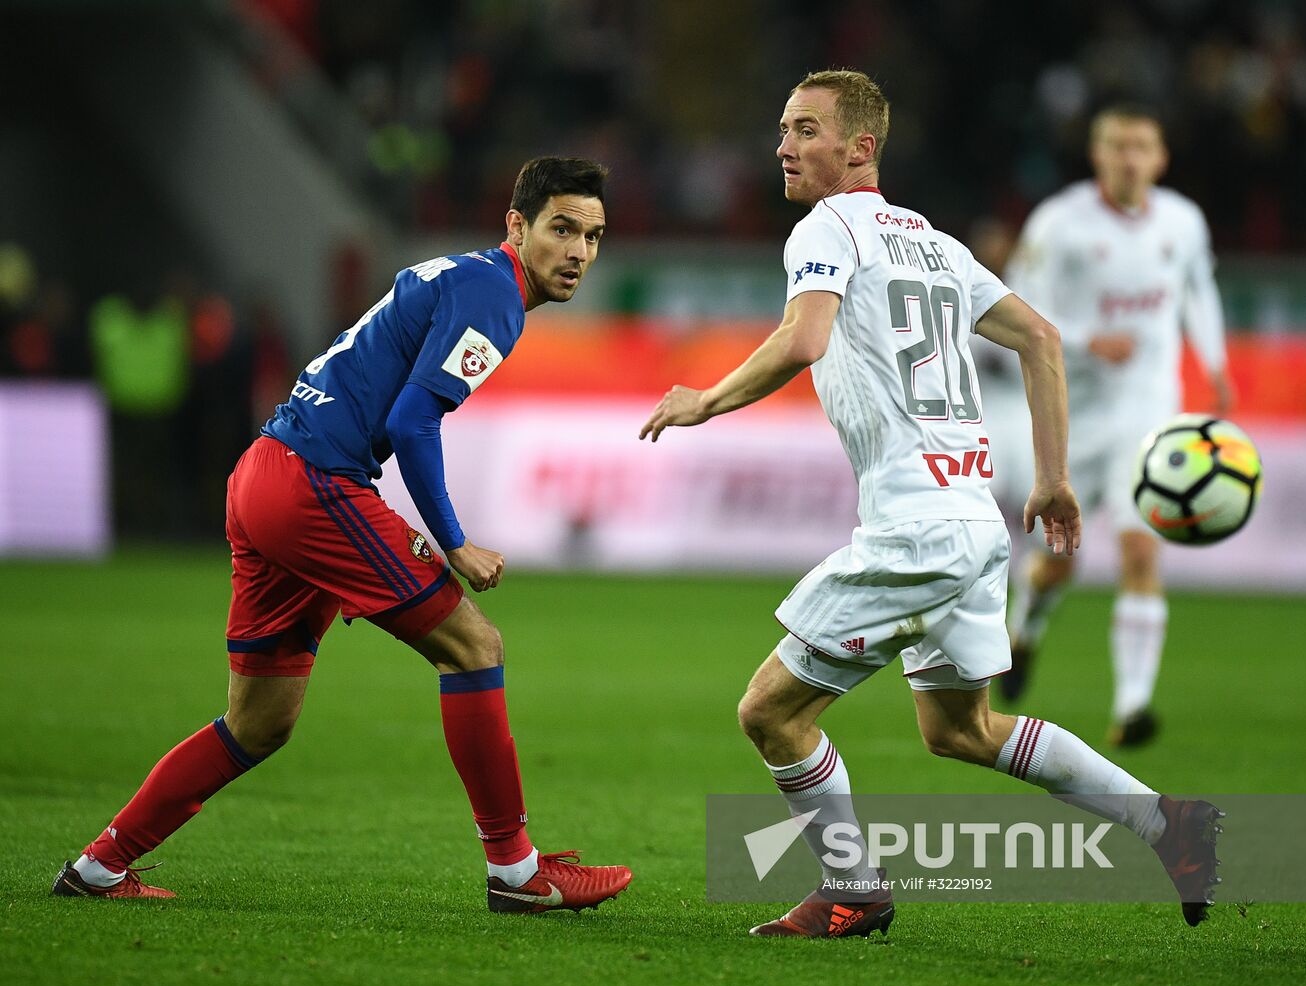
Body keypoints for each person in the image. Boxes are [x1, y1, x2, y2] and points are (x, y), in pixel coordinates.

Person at [640, 71, 1221, 939]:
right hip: (973, 520)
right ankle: (1169, 823)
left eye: (804, 130)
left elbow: (805, 338)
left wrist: (706, 400)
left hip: (916, 528)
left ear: (859, 149)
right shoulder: (936, 244)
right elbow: (1043, 338)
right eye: (783, 129)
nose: (783, 146)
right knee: (963, 728)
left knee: (770, 711)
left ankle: (855, 888)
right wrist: (1052, 479)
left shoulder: (826, 226)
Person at [53, 156, 632, 914]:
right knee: (474, 647)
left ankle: (100, 866)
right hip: (316, 485)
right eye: (562, 229)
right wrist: (453, 540)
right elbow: (410, 421)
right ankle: (517, 872)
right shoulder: (497, 294)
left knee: (258, 723)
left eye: (592, 235)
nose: (579, 252)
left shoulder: (461, 275)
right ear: (516, 227)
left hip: (264, 473)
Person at [994, 105, 1231, 747]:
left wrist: (1216, 365)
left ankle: (1132, 706)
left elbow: (1198, 292)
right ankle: (1027, 629)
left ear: (1161, 158)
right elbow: (1014, 305)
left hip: (1149, 413)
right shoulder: (1061, 223)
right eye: (1118, 146)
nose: (1130, 157)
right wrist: (1089, 340)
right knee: (1057, 565)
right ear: (1097, 155)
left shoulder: (1182, 222)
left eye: (1142, 146)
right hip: (1071, 414)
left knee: (1139, 549)